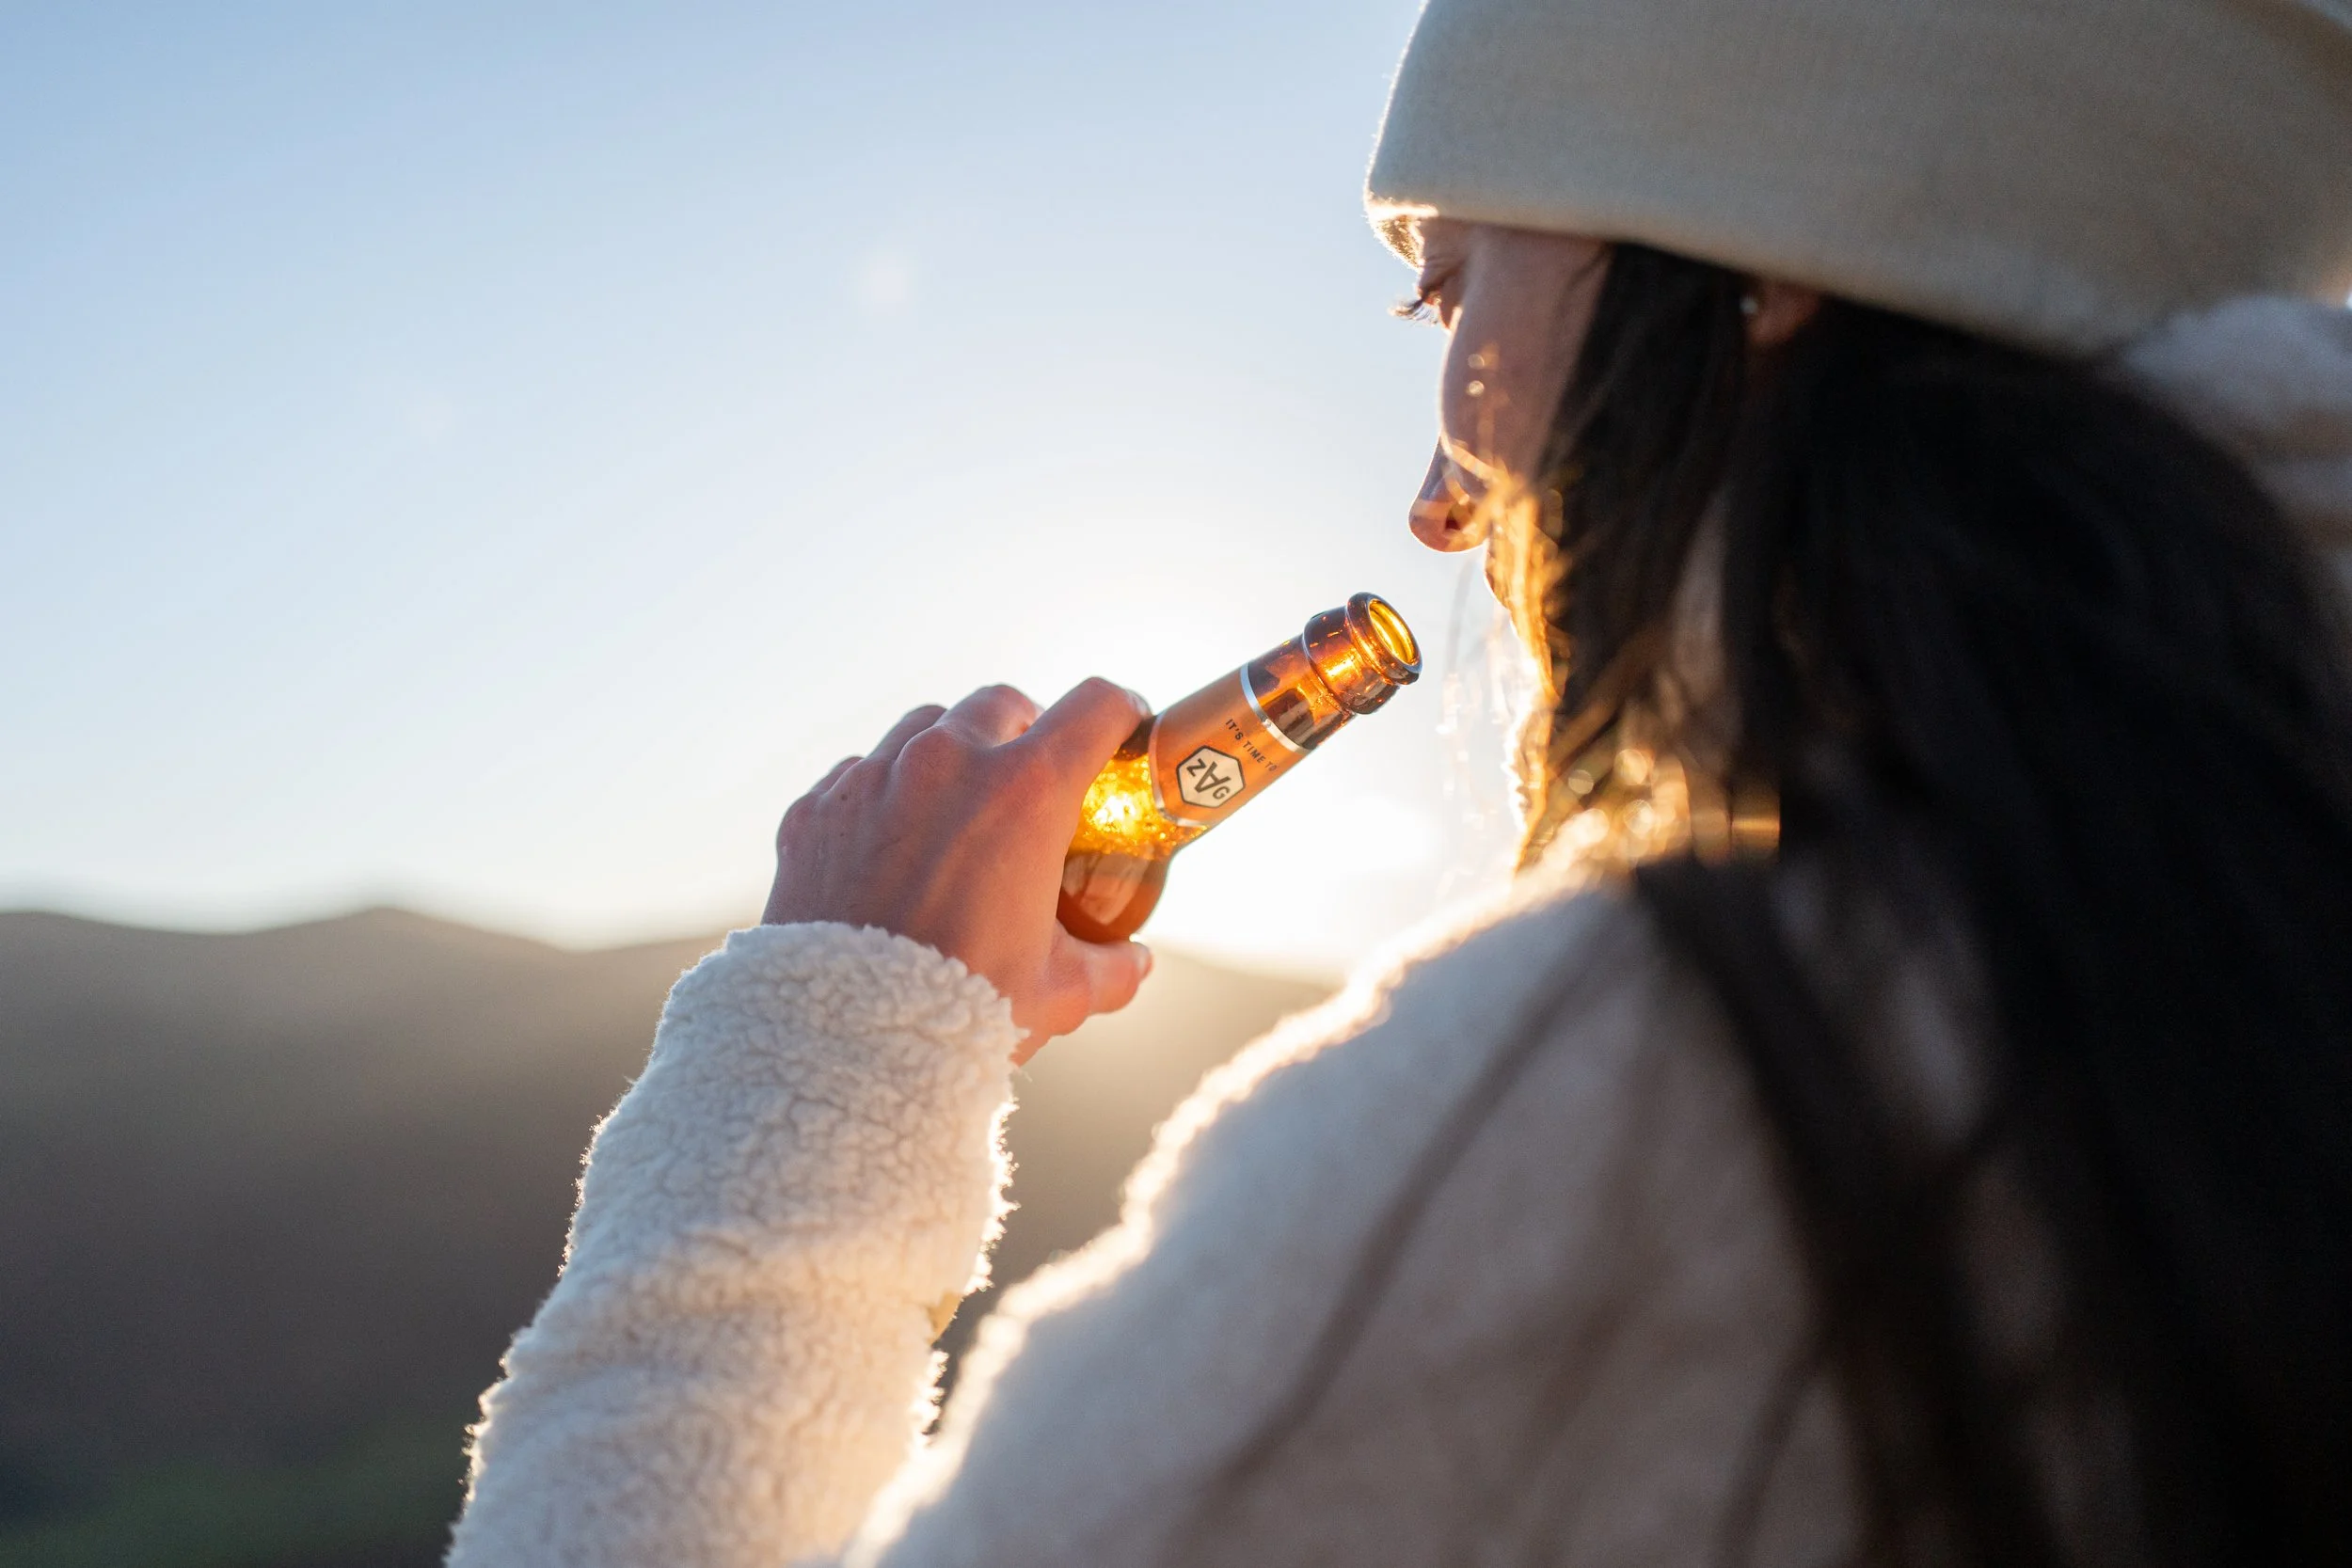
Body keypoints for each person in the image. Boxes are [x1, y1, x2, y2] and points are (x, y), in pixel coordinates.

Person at [444, 2, 2352, 1564]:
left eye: (1447, 294)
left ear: (1760, 264)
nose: (1434, 499)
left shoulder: (1672, 1089)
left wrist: (823, 1047)